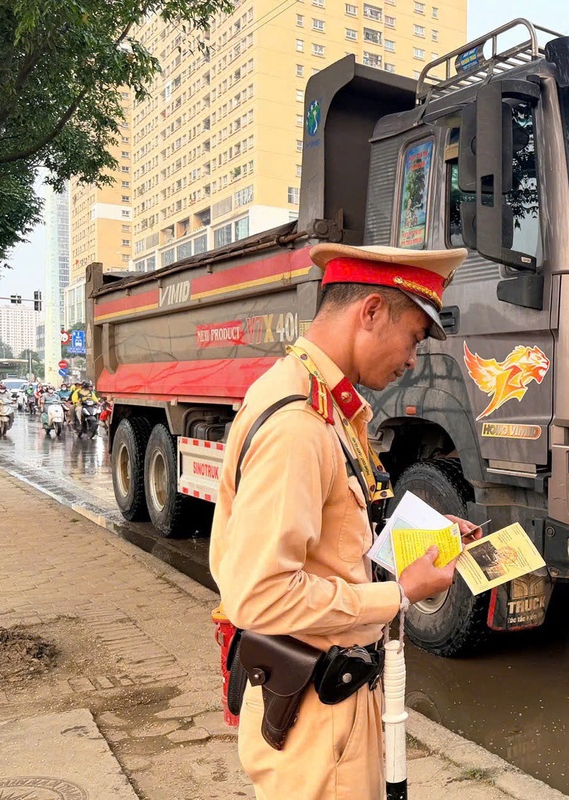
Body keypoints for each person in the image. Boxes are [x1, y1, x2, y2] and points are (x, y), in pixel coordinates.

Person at [210, 243, 477, 800]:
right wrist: (399, 594)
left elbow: (333, 543)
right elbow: (260, 596)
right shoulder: (299, 425)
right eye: (413, 338)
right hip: (317, 721)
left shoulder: (320, 404)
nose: (411, 360)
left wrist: (420, 540)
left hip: (329, 705)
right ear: (371, 311)